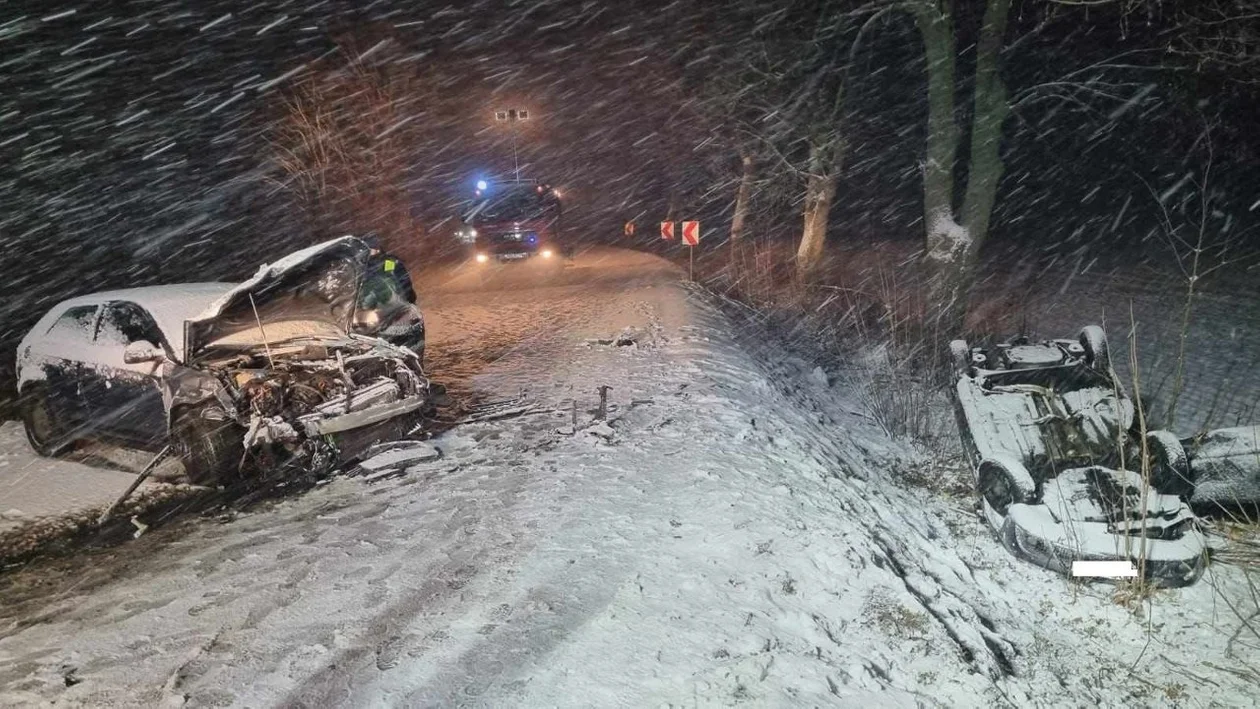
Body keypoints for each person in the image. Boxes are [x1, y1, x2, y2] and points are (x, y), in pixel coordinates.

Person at [361, 232, 416, 304]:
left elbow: (397, 279)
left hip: (395, 302)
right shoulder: (363, 265)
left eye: (369, 249)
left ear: (377, 249)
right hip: (377, 303)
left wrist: (409, 297)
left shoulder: (389, 262)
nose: (365, 252)